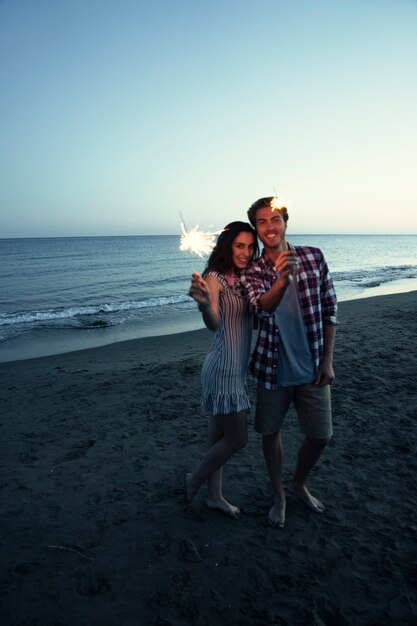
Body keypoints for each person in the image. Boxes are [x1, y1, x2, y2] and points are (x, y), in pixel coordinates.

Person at [241, 197, 337, 528]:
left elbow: (330, 307)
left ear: (285, 221)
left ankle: (298, 483)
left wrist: (327, 359)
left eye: (275, 219)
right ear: (256, 228)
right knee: (270, 433)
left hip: (312, 366)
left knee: (321, 435)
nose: (270, 226)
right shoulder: (252, 270)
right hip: (272, 368)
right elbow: (260, 307)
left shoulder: (313, 256)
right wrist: (282, 279)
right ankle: (279, 495)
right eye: (262, 221)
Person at [185, 221, 258, 518]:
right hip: (223, 369)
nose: (246, 252)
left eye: (251, 247)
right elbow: (214, 321)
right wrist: (205, 306)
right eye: (240, 245)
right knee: (238, 438)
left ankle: (214, 497)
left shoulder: (247, 278)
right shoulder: (214, 278)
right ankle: (194, 479)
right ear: (228, 246)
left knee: (217, 438)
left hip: (236, 368)